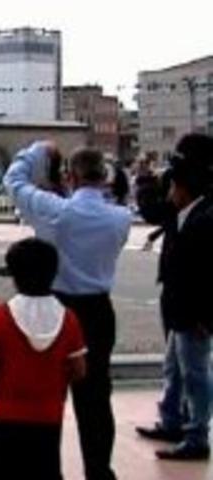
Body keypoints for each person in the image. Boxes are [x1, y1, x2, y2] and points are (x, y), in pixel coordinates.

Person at [4, 142, 132, 480]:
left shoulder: (55, 211)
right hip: (99, 310)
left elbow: (13, 181)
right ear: (103, 177)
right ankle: (98, 471)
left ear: (69, 176)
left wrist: (36, 150)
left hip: (58, 309)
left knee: (48, 397)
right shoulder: (121, 218)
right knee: (96, 398)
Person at [0, 238, 87, 479]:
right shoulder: (68, 318)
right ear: (53, 273)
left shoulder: (2, 315)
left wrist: (0, 383)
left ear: (14, 275)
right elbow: (79, 370)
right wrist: (57, 383)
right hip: (49, 415)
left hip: (7, 414)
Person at [136, 133, 213, 461]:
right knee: (175, 367)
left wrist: (206, 316)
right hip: (179, 302)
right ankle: (172, 420)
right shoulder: (190, 212)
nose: (168, 194)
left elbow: (207, 275)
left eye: (171, 188)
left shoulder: (205, 219)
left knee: (195, 372)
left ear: (184, 188)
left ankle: (197, 435)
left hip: (193, 311)